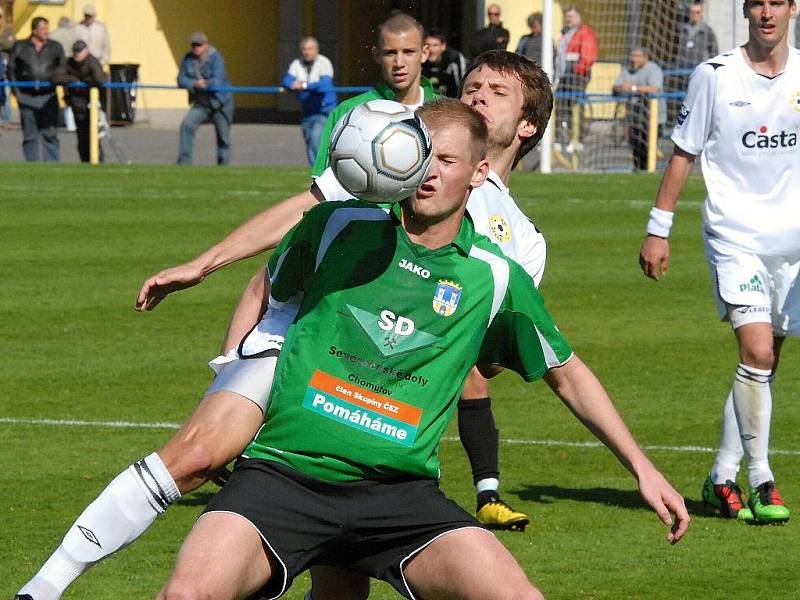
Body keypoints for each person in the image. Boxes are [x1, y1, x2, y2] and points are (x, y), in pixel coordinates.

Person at [12, 28, 548, 598]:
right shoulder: (402, 149)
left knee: (341, 566)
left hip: (368, 385)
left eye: (498, 91)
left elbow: (480, 360)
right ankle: (44, 586)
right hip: (297, 337)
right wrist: (205, 266)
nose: (478, 96)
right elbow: (305, 216)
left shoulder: (520, 244)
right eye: (473, 85)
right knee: (196, 454)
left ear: (526, 125)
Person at [156, 98, 689, 600]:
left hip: (399, 498)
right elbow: (265, 292)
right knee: (187, 593)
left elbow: (568, 374)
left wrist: (642, 468)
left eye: (448, 160)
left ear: (479, 174)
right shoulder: (340, 227)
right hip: (284, 478)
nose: (428, 170)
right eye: (421, 153)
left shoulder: (494, 278)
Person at [639, 0, 798, 524]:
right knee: (755, 350)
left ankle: (721, 476)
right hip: (735, 236)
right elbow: (684, 151)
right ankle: (762, 480)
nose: (767, 13)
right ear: (746, 10)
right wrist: (658, 230)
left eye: (778, 1)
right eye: (758, 3)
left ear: (793, 8)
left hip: (792, 245)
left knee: (764, 363)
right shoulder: (715, 76)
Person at [7, 17, 66, 162]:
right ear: (34, 30)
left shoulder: (55, 47)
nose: (46, 32)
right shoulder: (20, 46)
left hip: (49, 96)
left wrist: (51, 80)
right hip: (26, 97)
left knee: (50, 133)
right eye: (43, 29)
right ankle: (32, 166)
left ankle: (52, 166)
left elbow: (62, 67)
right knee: (30, 135)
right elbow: (11, 70)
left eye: (47, 28)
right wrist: (17, 92)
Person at [176, 31, 234, 166]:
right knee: (186, 126)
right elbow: (181, 79)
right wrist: (194, 84)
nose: (196, 48)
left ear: (206, 45)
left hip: (220, 102)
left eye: (199, 45)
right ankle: (184, 163)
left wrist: (206, 84)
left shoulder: (216, 58)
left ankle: (223, 167)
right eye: (194, 45)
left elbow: (218, 80)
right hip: (201, 103)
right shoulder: (188, 59)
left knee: (223, 137)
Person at [282, 36, 337, 166]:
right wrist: (292, 84)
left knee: (315, 139)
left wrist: (304, 85)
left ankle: (318, 173)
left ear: (317, 50)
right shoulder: (297, 64)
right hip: (307, 111)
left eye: (310, 49)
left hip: (324, 111)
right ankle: (318, 170)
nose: (307, 52)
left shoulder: (324, 63)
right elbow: (286, 80)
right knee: (309, 140)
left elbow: (325, 84)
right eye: (305, 49)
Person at [612, 47, 665, 171]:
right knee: (635, 145)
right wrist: (621, 88)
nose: (633, 59)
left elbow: (655, 88)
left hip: (653, 115)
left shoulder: (654, 69)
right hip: (635, 115)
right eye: (632, 56)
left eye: (636, 56)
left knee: (648, 146)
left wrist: (633, 88)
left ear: (645, 57)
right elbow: (616, 86)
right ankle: (638, 171)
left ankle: (650, 171)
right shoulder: (627, 69)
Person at [554, 5, 598, 154]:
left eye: (571, 17)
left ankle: (577, 140)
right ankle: (559, 140)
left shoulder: (585, 32)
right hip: (564, 75)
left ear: (579, 17)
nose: (568, 19)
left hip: (577, 75)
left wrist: (577, 70)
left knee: (575, 105)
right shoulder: (565, 32)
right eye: (567, 17)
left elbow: (588, 56)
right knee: (560, 105)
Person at [668, 1, 719, 123]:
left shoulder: (708, 31)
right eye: (692, 12)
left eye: (697, 12)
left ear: (701, 13)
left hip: (698, 73)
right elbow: (673, 50)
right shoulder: (681, 30)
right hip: (681, 73)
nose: (694, 15)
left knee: (698, 102)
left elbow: (714, 52)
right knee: (682, 102)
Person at [62, 40, 105, 162]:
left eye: (79, 52)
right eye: (75, 52)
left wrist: (85, 83)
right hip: (77, 105)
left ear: (86, 51)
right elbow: (56, 76)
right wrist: (72, 79)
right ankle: (85, 162)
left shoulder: (93, 62)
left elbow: (100, 80)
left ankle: (98, 162)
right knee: (82, 139)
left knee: (94, 138)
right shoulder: (69, 63)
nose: (77, 55)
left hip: (92, 106)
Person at [422, 29, 467, 98]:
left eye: (435, 45)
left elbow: (462, 86)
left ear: (443, 47)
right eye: (428, 45)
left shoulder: (454, 60)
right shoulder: (419, 61)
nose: (431, 49)